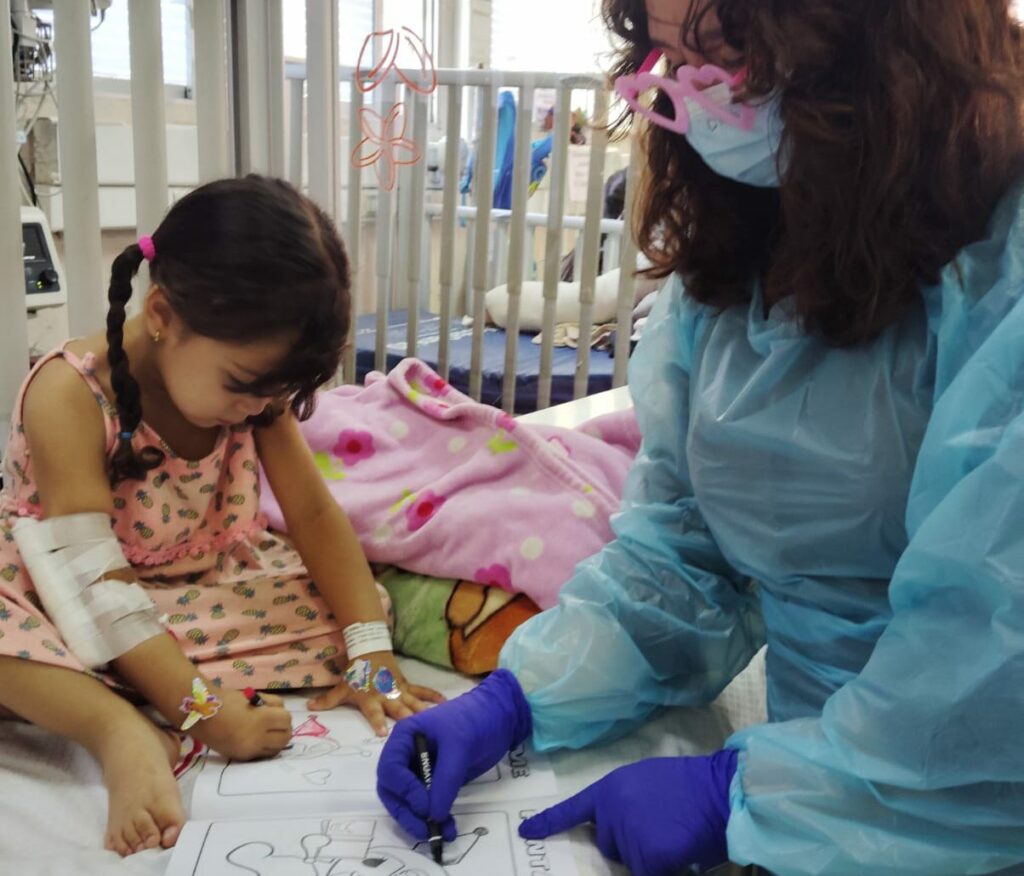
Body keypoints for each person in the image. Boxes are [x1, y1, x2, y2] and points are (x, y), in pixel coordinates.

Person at [377, 2, 1024, 873]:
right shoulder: (747, 236)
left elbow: (996, 656)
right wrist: (519, 697)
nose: (693, 95)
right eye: (666, 57)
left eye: (723, 53)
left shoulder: (1003, 267)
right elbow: (686, 552)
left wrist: (750, 794)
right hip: (821, 800)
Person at [0, 175, 442, 858]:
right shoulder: (69, 394)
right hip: (66, 594)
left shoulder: (256, 396)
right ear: (162, 314)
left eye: (276, 392)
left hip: (194, 591)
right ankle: (116, 726)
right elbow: (92, 588)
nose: (257, 407)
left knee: (356, 611)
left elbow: (313, 515)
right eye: (244, 386)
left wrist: (370, 655)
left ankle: (124, 683)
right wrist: (203, 713)